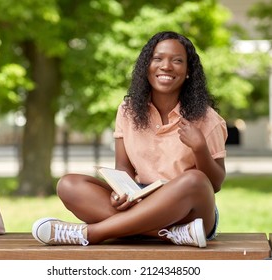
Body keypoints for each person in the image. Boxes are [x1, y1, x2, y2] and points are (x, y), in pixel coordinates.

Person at [32, 31, 228, 248]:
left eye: (177, 61)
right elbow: (123, 167)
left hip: (189, 211)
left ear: (189, 71)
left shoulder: (208, 119)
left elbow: (215, 184)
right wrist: (121, 191)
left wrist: (200, 148)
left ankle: (92, 233)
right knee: (69, 185)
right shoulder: (128, 111)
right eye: (157, 59)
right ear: (146, 66)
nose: (166, 66)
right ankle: (171, 234)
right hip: (140, 199)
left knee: (194, 179)